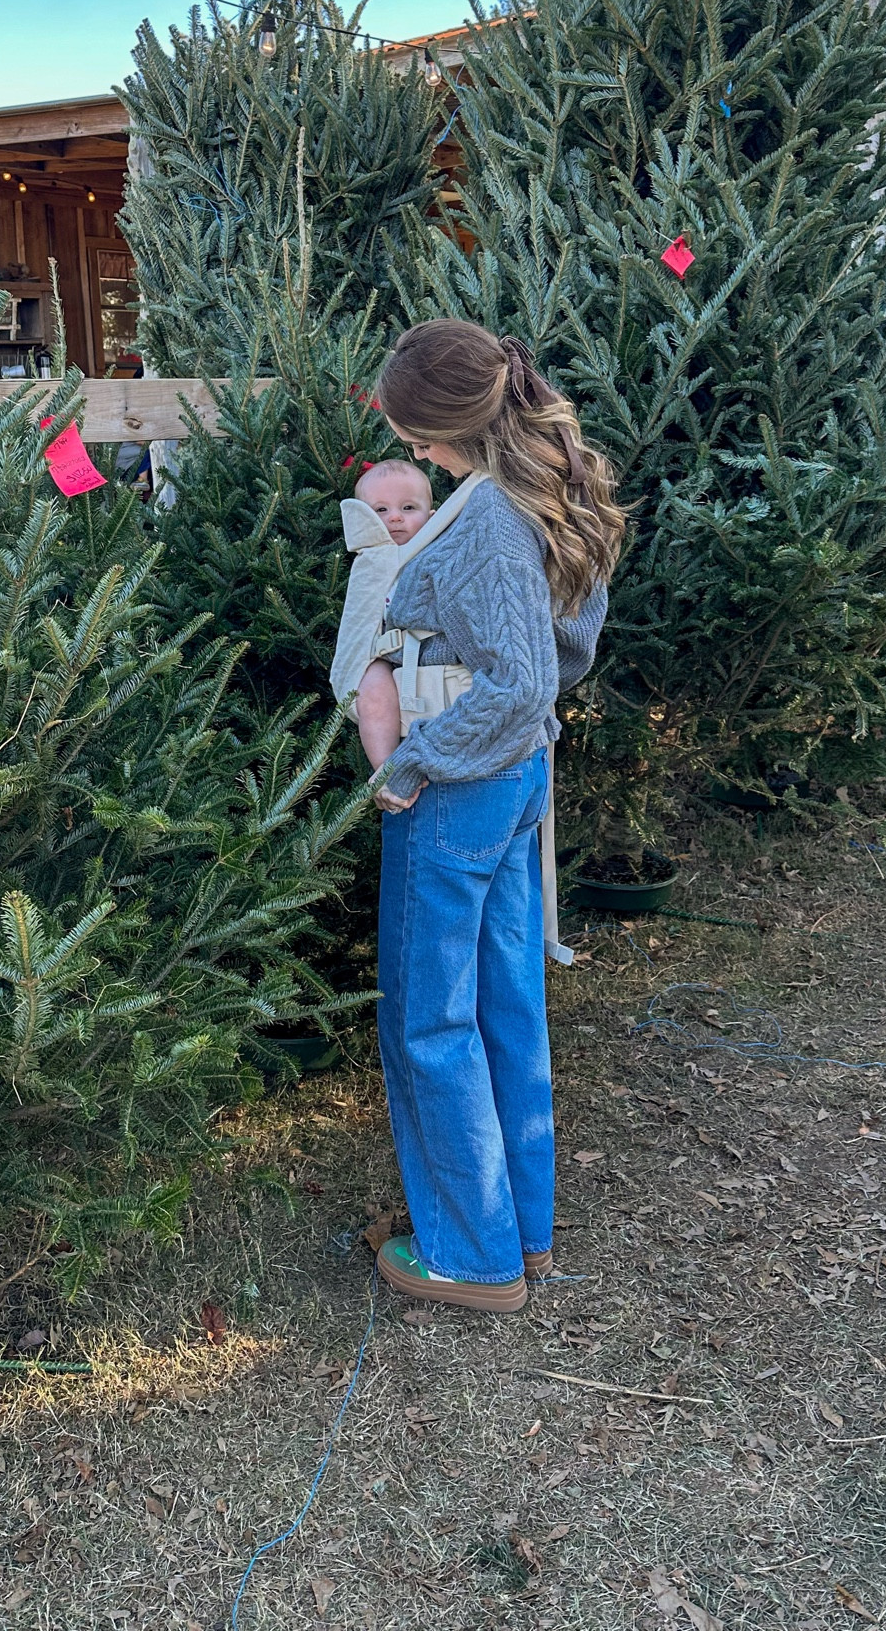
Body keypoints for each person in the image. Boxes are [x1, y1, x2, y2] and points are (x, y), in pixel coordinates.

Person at [367, 318, 625, 1314]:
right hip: (515, 778)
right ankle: (522, 1229)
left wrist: (415, 759)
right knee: (506, 1003)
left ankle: (471, 1256)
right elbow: (569, 648)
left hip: (460, 785)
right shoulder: (542, 491)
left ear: (440, 427)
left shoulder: (482, 519)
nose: (411, 449)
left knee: (430, 1015)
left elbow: (518, 684)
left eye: (412, 432)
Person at [344, 459, 433, 769]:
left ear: (432, 516)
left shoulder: (438, 553)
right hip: (383, 653)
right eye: (380, 510)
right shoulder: (369, 561)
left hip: (433, 653)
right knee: (372, 691)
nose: (395, 517)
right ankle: (386, 769)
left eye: (408, 508)